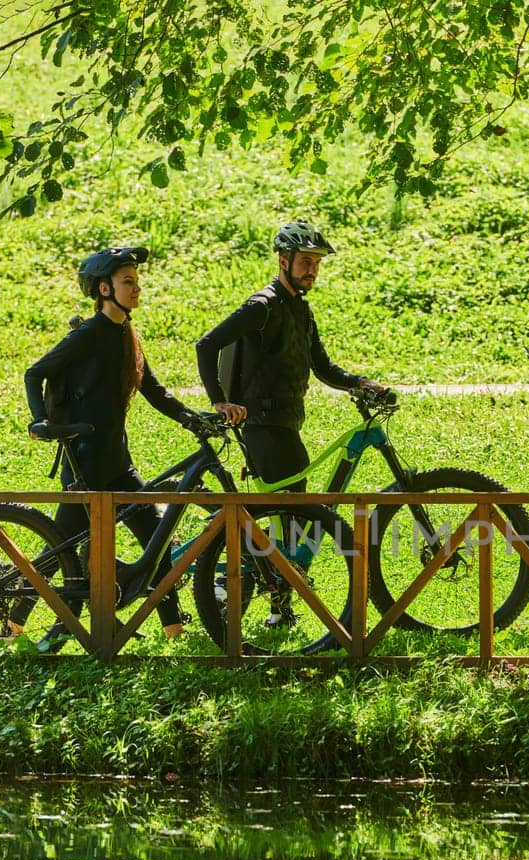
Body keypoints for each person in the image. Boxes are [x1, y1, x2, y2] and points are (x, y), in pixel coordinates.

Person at [24, 246, 203, 640]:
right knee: (60, 552)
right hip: (85, 465)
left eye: (137, 281)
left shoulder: (127, 334)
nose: (136, 288)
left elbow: (154, 391)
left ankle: (174, 629)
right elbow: (35, 373)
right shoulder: (88, 335)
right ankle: (13, 626)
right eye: (127, 282)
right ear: (104, 288)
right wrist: (41, 419)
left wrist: (194, 419)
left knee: (154, 542)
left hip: (117, 462)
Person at [194, 221, 387, 493]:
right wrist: (220, 402)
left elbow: (323, 367)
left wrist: (361, 382)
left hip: (286, 422)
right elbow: (206, 345)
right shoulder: (262, 306)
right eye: (306, 262)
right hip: (262, 424)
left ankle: (258, 536)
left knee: (294, 505)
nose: (312, 271)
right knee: (290, 505)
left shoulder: (301, 310)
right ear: (284, 261)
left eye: (317, 264)